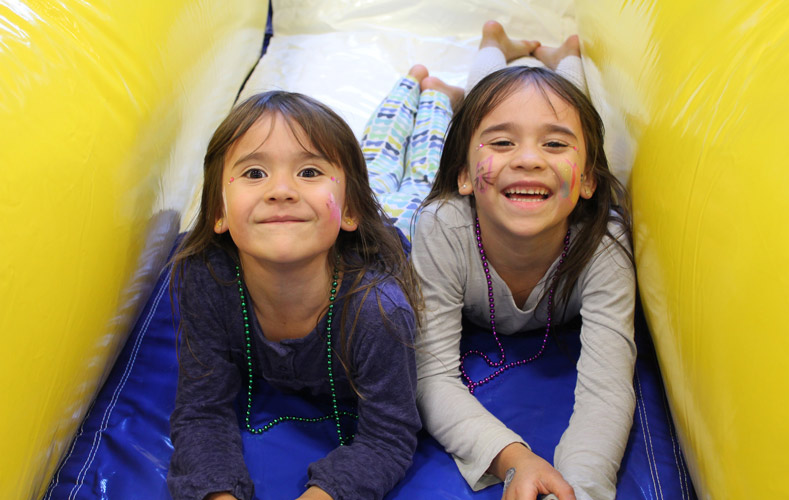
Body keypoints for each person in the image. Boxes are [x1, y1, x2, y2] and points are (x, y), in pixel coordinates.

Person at [410, 21, 637, 500]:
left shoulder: (603, 245)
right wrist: (514, 458)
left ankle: (567, 57)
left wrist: (580, 491)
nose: (529, 158)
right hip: (458, 186)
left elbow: (608, 389)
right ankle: (494, 44)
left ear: (589, 181)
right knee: (488, 99)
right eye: (502, 144)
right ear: (466, 178)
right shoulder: (443, 227)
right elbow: (431, 374)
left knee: (559, 101)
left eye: (554, 145)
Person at [166, 91, 422, 500]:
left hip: (403, 223)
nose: (281, 190)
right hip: (341, 214)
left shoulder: (378, 311)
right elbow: (201, 411)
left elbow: (388, 437)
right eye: (253, 174)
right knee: (383, 153)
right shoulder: (209, 280)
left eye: (307, 172)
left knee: (417, 168)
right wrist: (217, 494)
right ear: (218, 211)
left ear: (350, 212)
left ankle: (433, 89)